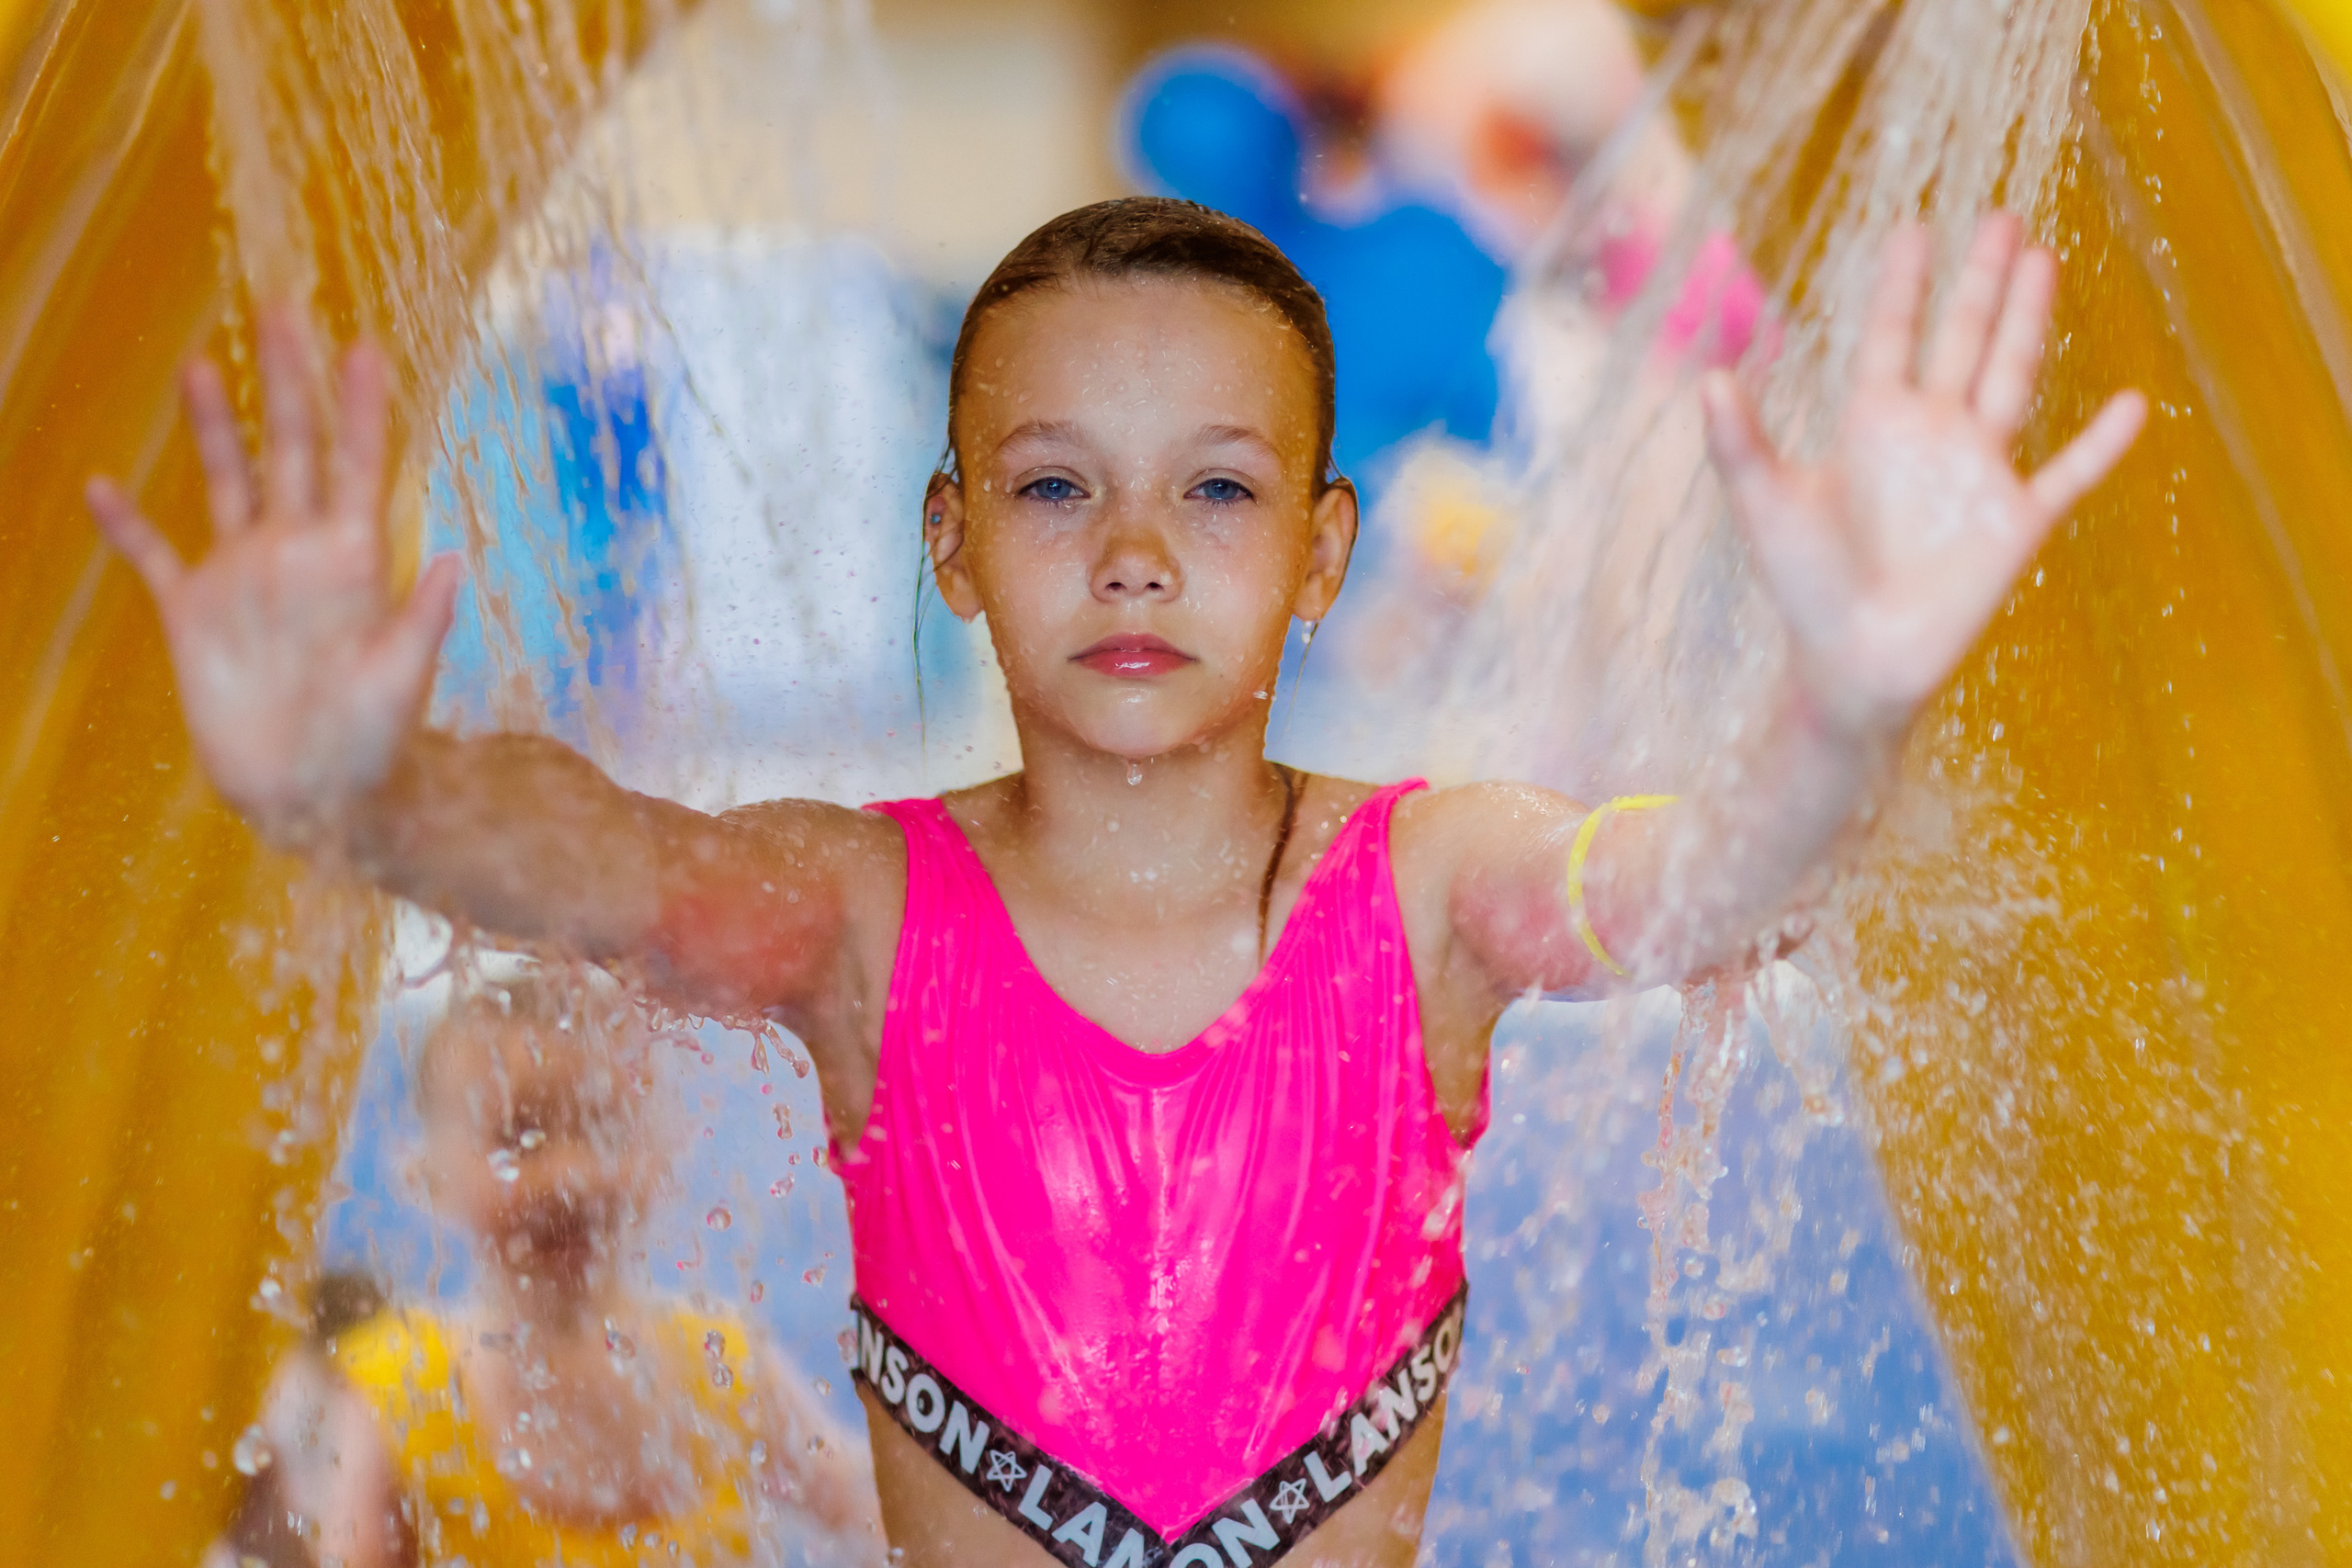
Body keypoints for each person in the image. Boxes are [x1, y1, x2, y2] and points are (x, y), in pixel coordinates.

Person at [90, 196, 2143, 1567]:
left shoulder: (1427, 882)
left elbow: (1697, 878)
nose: (1136, 549)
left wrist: (1840, 714)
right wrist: (357, 783)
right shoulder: (860, 917)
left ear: (1326, 547)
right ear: (952, 539)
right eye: (1056, 483)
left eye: (1218, 486)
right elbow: (604, 860)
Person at [213, 976, 879, 1567]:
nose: (572, 1175)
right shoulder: (406, 1391)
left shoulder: (727, 1368)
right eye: (520, 1134)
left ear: (658, 1151)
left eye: (601, 1126)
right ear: (428, 1175)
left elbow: (880, 1517)